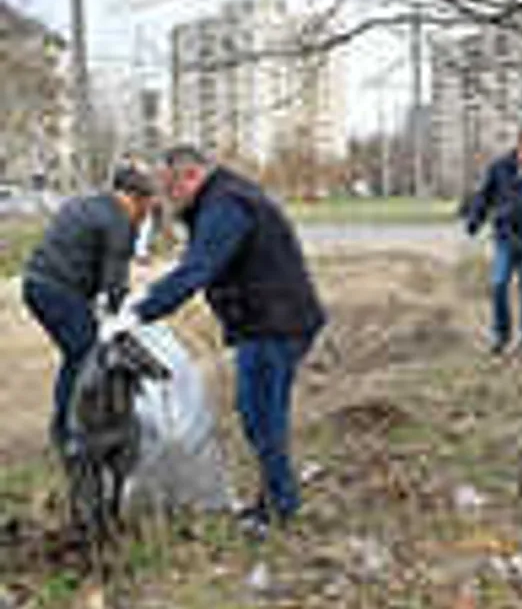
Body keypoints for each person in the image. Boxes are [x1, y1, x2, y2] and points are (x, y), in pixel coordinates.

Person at [101, 146, 327, 539]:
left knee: (261, 416)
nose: (168, 199)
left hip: (274, 324)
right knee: (258, 414)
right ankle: (275, 500)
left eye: (171, 188)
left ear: (190, 177)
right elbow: (199, 262)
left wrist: (141, 312)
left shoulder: (225, 205)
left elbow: (198, 269)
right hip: (272, 320)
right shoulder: (223, 198)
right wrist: (148, 297)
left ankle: (280, 508)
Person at [22, 166, 158, 458]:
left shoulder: (85, 203)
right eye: (149, 204)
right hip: (58, 291)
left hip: (34, 283)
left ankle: (77, 424)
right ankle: (69, 433)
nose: (148, 213)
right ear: (136, 198)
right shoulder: (119, 219)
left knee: (80, 351)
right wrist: (125, 317)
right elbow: (114, 280)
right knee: (85, 356)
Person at [465, 130, 522, 354]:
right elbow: (484, 196)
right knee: (498, 285)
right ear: (520, 145)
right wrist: (475, 220)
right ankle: (501, 335)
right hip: (505, 236)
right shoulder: (500, 168)